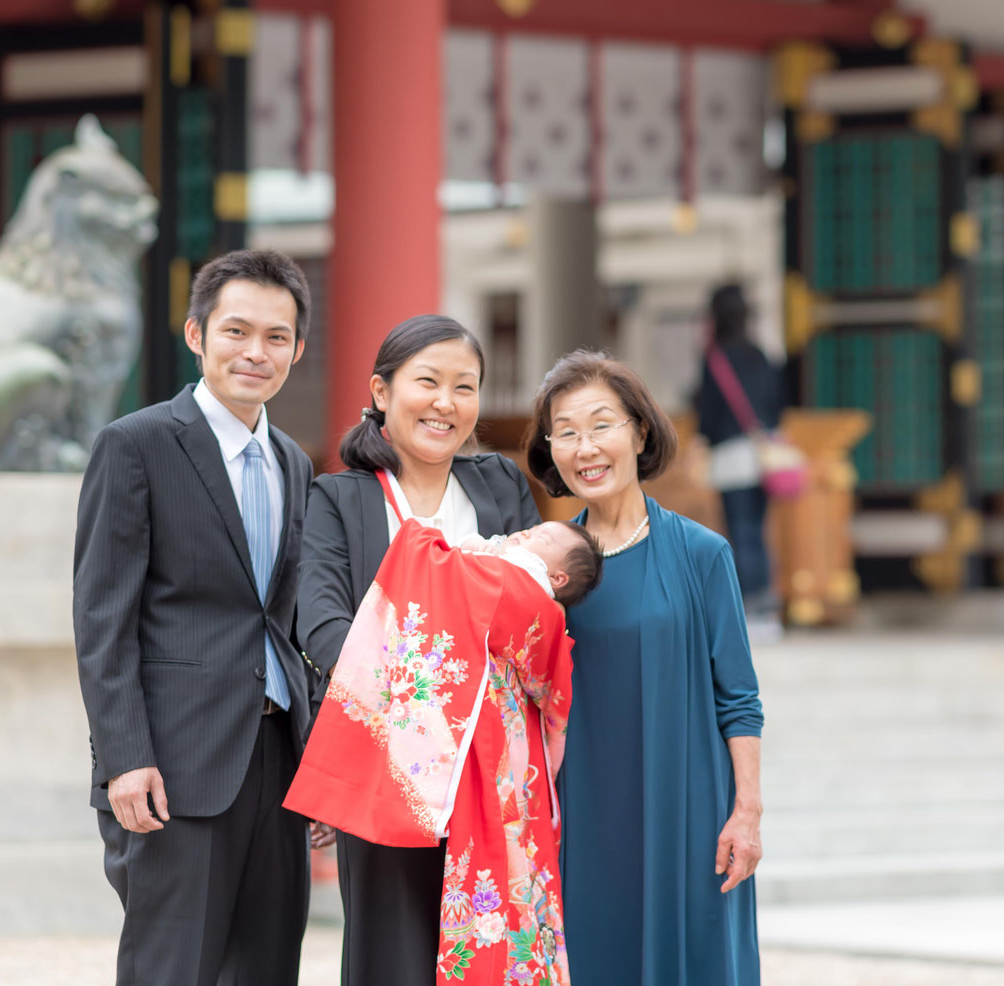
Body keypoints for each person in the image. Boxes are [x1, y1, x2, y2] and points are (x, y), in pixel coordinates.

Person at [72, 250, 316, 986]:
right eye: (236, 331)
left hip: (278, 754)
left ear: (298, 350)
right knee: (171, 969)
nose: (255, 352)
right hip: (173, 764)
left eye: (277, 337)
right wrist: (123, 758)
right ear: (195, 335)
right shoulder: (135, 444)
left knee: (268, 966)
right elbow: (101, 618)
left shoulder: (295, 463)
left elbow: (287, 619)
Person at [297, 314, 544, 986]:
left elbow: (535, 600)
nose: (447, 403)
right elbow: (319, 621)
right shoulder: (337, 499)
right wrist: (421, 698)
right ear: (381, 391)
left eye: (465, 387)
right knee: (391, 949)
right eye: (427, 382)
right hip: (390, 760)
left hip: (492, 769)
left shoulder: (499, 485)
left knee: (493, 945)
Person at [285, 505, 601, 986]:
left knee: (496, 881)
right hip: (466, 747)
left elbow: (471, 587)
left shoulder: (521, 584)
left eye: (537, 534)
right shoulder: (509, 578)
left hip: (494, 752)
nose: (522, 533)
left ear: (556, 575)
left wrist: (421, 544)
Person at [525, 350, 764, 986]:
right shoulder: (538, 572)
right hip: (586, 811)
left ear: (639, 430)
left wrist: (747, 812)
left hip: (690, 806)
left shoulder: (703, 554)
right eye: (566, 432)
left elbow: (738, 698)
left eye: (601, 424)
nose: (586, 447)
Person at [693, 284, 786, 636]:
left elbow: (709, 415)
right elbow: (778, 404)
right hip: (765, 455)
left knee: (740, 531)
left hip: (731, 457)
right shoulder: (759, 354)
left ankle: (751, 609)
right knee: (758, 532)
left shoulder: (715, 357)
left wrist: (702, 441)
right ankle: (766, 608)